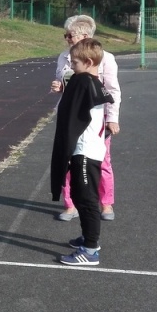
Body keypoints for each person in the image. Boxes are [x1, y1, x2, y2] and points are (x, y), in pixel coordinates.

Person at [50, 38, 115, 266]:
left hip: (86, 151)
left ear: (88, 62)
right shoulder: (90, 81)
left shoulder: (85, 82)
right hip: (85, 149)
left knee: (86, 200)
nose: (71, 66)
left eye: (75, 63)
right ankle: (88, 238)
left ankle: (90, 250)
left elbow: (73, 114)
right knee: (78, 195)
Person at [50, 15, 122, 221]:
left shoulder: (106, 58)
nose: (66, 39)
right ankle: (70, 204)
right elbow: (64, 82)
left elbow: (112, 90)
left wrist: (112, 118)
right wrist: (59, 87)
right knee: (67, 159)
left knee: (102, 161)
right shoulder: (64, 57)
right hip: (70, 116)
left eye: (69, 35)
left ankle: (106, 204)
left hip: (95, 118)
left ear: (84, 36)